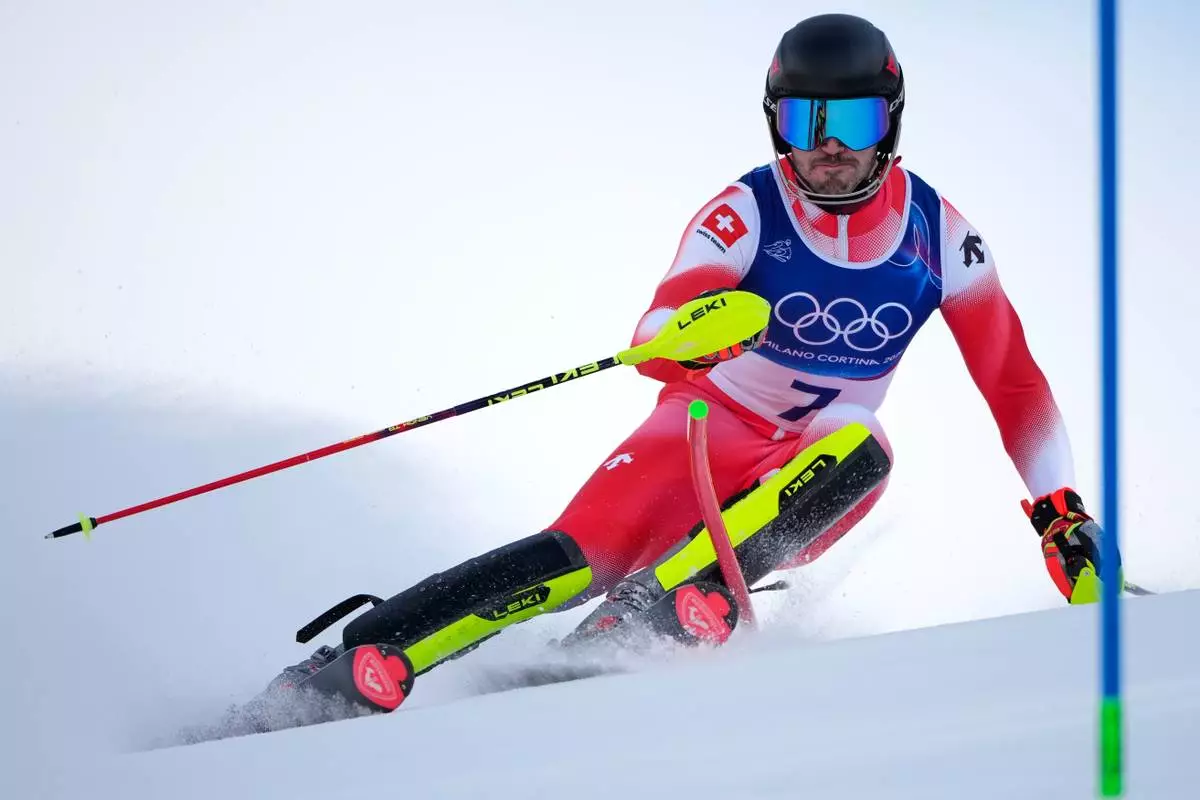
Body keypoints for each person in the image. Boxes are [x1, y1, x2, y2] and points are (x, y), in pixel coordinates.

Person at [268, 13, 1116, 701]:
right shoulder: (745, 210)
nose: (828, 147)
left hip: (813, 473)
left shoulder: (943, 238)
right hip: (702, 434)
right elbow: (658, 327)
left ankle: (656, 606)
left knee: (863, 439)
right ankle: (356, 660)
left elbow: (1012, 380)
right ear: (777, 124)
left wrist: (1059, 510)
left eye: (852, 120)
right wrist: (693, 331)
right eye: (805, 121)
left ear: (889, 121)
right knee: (574, 555)